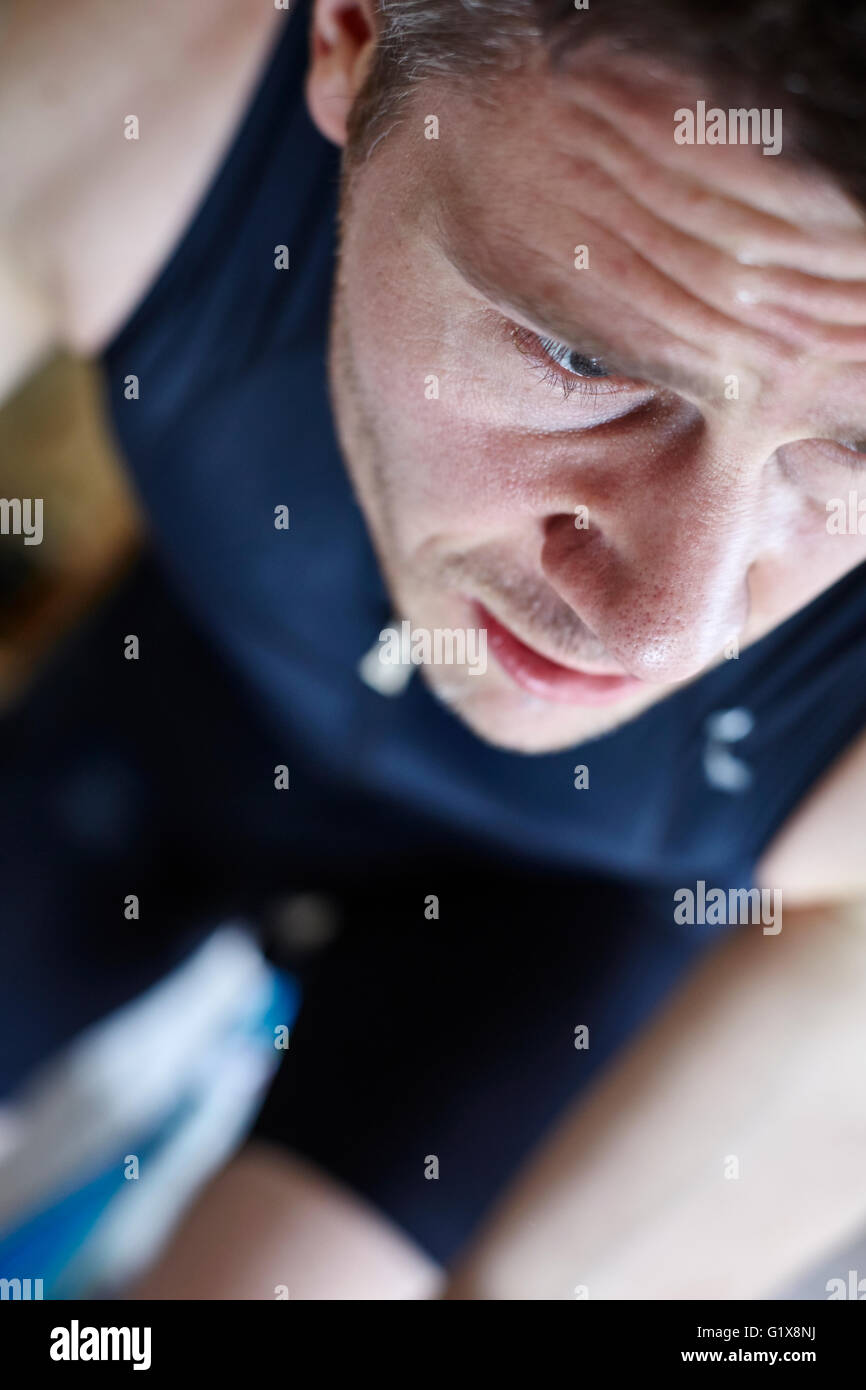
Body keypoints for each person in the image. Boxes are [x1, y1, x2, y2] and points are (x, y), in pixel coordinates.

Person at [2, 0, 866, 1300]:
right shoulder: (149, 69)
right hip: (175, 719)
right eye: (580, 357)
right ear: (349, 37)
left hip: (579, 933)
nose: (664, 626)